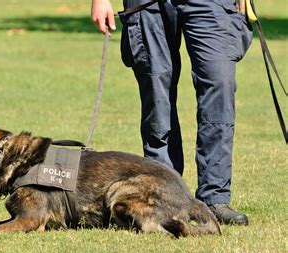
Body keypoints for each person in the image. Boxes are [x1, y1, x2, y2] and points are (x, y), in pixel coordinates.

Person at [90, 0, 253, 225]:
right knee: (157, 95)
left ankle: (215, 199)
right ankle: (163, 198)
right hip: (148, 5)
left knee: (219, 84)